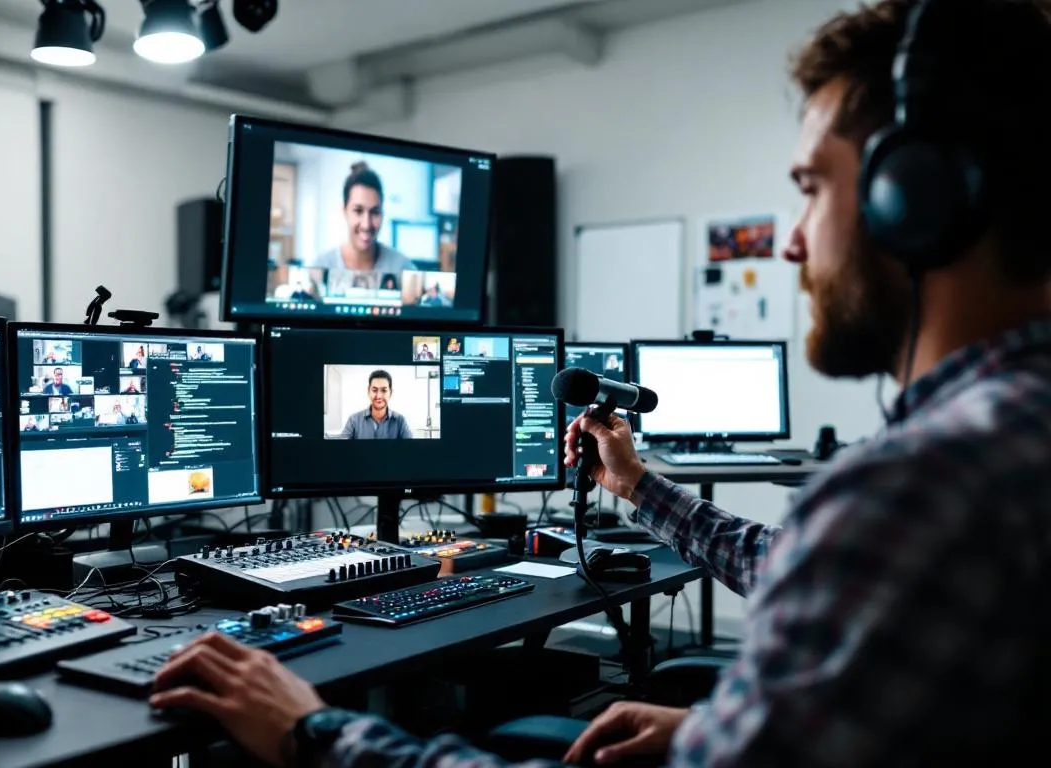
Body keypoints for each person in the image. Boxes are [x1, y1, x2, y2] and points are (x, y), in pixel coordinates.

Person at [145, 2, 1051, 766]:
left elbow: (845, 560)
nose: (792, 241)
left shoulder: (918, 491)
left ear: (916, 199)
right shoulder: (1012, 443)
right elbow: (812, 581)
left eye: (812, 187)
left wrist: (312, 732)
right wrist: (643, 498)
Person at [312, 163, 414, 280]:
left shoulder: (402, 268)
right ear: (345, 211)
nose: (366, 224)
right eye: (358, 211)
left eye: (375, 212)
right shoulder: (320, 268)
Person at [340, 370, 412, 439]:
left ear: (391, 392)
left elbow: (411, 449)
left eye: (384, 390)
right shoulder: (353, 420)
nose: (379, 396)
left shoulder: (400, 421)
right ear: (368, 391)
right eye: (374, 390)